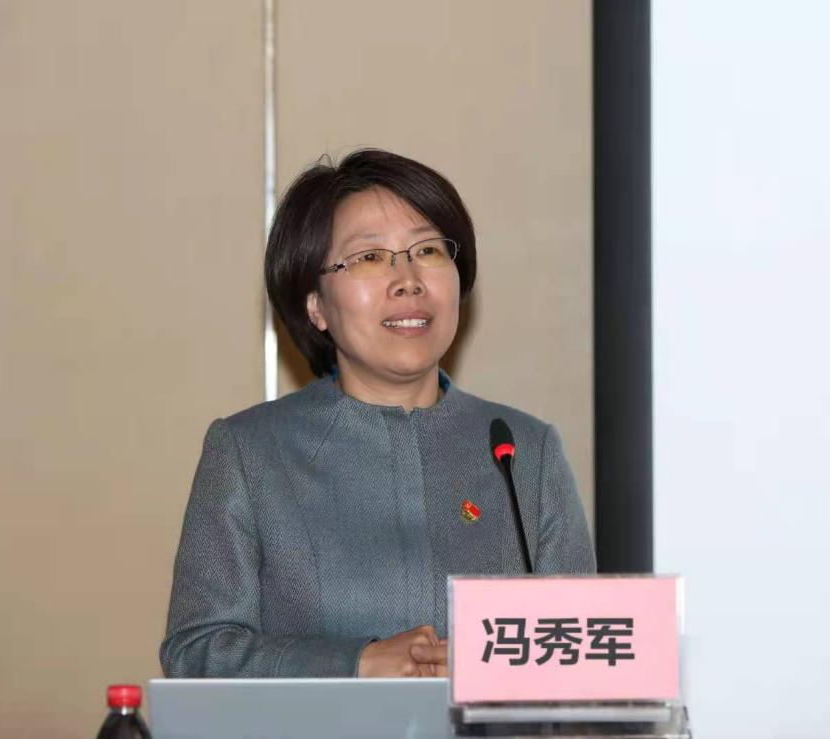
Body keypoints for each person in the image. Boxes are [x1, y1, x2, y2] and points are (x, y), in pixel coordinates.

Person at [160, 149, 595, 680]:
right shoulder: (250, 453)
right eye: (369, 257)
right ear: (316, 305)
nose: (408, 279)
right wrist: (356, 663)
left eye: (428, 250)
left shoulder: (525, 451)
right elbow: (197, 653)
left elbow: (585, 656)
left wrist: (495, 663)